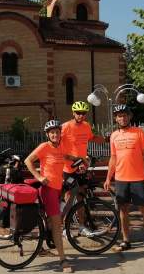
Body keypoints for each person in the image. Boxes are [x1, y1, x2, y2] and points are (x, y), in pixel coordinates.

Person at [103, 105, 144, 257]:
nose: (122, 118)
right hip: (121, 179)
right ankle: (126, 241)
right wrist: (108, 178)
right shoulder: (114, 136)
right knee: (123, 210)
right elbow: (113, 158)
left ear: (129, 117)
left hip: (138, 179)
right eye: (119, 116)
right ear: (116, 118)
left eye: (124, 115)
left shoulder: (139, 132)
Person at [25, 119, 78, 273]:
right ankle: (63, 261)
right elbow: (28, 160)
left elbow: (65, 156)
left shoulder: (59, 147)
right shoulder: (44, 147)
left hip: (57, 189)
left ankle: (45, 243)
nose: (55, 134)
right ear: (48, 134)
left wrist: (77, 159)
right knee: (57, 224)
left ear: (60, 133)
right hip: (48, 190)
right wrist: (39, 176)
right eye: (52, 132)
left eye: (57, 132)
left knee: (51, 221)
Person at [61, 101, 104, 236]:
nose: (81, 115)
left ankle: (81, 226)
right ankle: (64, 227)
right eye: (78, 113)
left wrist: (106, 139)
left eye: (83, 113)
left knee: (81, 197)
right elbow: (57, 145)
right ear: (73, 113)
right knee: (68, 197)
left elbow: (91, 138)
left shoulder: (86, 126)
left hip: (82, 168)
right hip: (68, 168)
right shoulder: (65, 126)